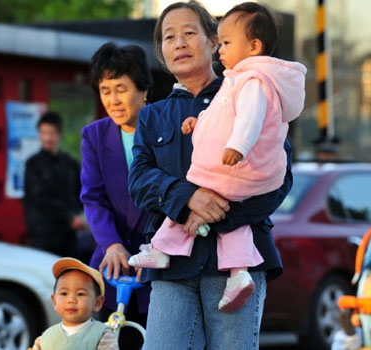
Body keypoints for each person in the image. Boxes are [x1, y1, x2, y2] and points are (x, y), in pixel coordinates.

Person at [128, 1, 293, 348]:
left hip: (237, 264)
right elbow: (139, 180)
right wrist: (188, 198)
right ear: (161, 51)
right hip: (172, 264)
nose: (180, 43)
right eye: (169, 37)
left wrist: (219, 215)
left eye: (190, 33)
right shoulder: (152, 116)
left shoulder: (252, 92)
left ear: (215, 42)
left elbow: (280, 177)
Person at [79, 42, 153, 350]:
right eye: (105, 90)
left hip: (159, 266)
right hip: (111, 268)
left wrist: (157, 246)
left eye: (121, 89)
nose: (113, 100)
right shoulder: (94, 135)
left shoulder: (168, 130)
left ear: (143, 89)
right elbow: (92, 198)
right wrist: (111, 243)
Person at [23, 111, 84, 258]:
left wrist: (80, 217)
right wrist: (69, 216)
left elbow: (81, 192)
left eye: (51, 133)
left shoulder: (70, 164)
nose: (48, 138)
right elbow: (40, 197)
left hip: (70, 234)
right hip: (43, 234)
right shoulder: (33, 164)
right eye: (43, 133)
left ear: (59, 134)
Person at [29, 257, 117, 350]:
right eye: (64, 293)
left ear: (97, 303)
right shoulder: (44, 338)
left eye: (80, 294)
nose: (71, 300)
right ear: (54, 301)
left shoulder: (103, 335)